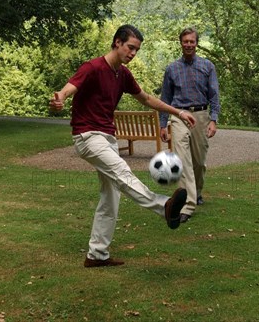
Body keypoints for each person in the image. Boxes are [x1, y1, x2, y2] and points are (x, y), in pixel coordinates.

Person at [49, 24, 197, 268]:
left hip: (107, 138)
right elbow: (67, 90)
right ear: (117, 42)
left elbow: (147, 99)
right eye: (130, 47)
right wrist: (60, 99)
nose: (133, 53)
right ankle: (164, 207)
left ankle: (97, 255)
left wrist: (178, 112)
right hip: (88, 137)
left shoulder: (123, 74)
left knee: (111, 197)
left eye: (136, 50)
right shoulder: (93, 67)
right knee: (122, 172)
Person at [159, 27, 220, 223]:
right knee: (183, 159)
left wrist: (214, 119)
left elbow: (214, 95)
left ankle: (197, 191)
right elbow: (165, 98)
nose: (188, 44)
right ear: (181, 43)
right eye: (185, 41)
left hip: (201, 115)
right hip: (179, 116)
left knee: (199, 162)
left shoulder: (207, 66)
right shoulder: (172, 69)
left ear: (196, 43)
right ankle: (188, 204)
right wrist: (163, 124)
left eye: (192, 41)